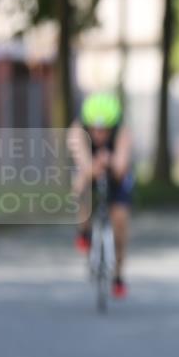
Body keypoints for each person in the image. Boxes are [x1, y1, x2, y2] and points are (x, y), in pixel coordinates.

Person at [67, 92, 134, 298]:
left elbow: (122, 166)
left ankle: (118, 274)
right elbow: (83, 167)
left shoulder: (122, 132)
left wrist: (111, 162)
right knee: (80, 187)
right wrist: (92, 168)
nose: (99, 134)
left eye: (104, 130)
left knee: (120, 220)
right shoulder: (77, 132)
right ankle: (84, 230)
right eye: (95, 129)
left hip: (114, 175)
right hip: (89, 172)